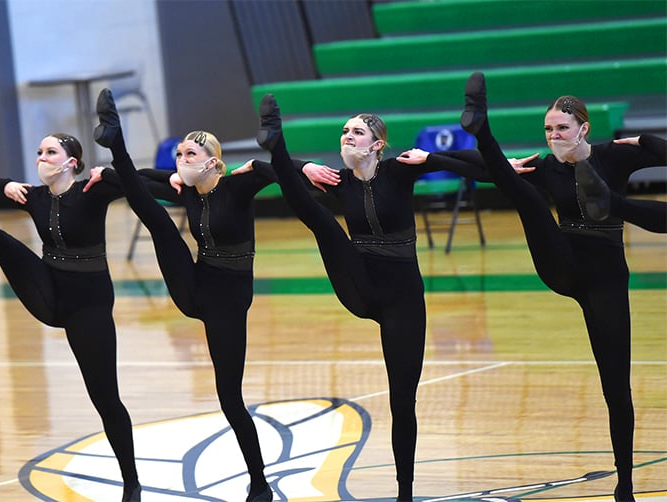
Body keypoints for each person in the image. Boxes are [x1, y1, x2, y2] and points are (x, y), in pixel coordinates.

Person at [253, 93, 508, 502]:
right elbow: (272, 176)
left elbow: (473, 169)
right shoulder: (335, 182)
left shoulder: (397, 171)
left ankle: (404, 492)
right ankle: (276, 137)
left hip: (403, 295)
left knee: (402, 398)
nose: (347, 137)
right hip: (361, 284)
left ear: (376, 144)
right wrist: (301, 165)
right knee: (322, 222)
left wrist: (451, 161)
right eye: (344, 131)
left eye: (357, 132)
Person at [457, 71, 666, 502]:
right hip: (562, 262)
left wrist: (644, 142)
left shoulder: (613, 157)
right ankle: (483, 128)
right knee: (527, 195)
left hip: (606, 273)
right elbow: (481, 172)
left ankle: (624, 483)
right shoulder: (545, 166)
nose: (554, 135)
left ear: (583, 128)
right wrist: (479, 159)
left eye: (562, 128)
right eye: (549, 129)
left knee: (616, 384)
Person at [90, 88, 274, 502]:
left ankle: (260, 482)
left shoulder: (237, 187)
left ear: (213, 161)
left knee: (230, 399)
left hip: (229, 298)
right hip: (195, 287)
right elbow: (141, 180)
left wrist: (308, 167)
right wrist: (108, 173)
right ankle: (114, 138)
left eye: (190, 154)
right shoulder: (186, 190)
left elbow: (270, 172)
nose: (181, 160)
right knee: (157, 220)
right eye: (178, 155)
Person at [0, 134, 141, 502]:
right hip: (49, 293)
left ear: (72, 162)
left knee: (105, 397)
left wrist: (109, 172)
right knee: (1, 243)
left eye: (51, 153)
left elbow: (134, 183)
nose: (42, 159)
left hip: (89, 304)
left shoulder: (92, 191)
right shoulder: (35, 196)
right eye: (39, 153)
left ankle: (132, 482)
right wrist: (2, 184)